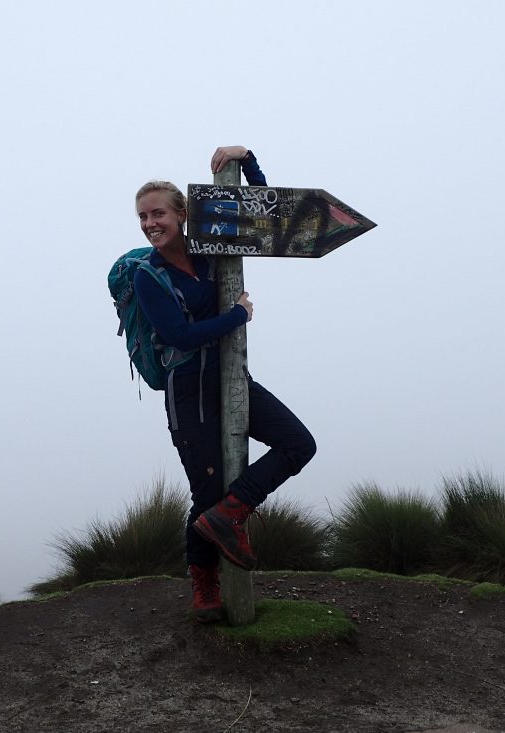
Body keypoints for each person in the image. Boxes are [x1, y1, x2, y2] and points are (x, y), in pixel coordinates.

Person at [133, 146, 317, 622]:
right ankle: (205, 583)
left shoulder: (214, 244)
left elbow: (268, 216)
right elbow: (179, 335)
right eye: (143, 216)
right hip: (189, 389)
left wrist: (248, 159)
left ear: (182, 214)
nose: (151, 223)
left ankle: (231, 514)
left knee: (298, 443)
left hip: (233, 376)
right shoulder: (147, 275)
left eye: (159, 213)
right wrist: (237, 314)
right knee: (205, 490)